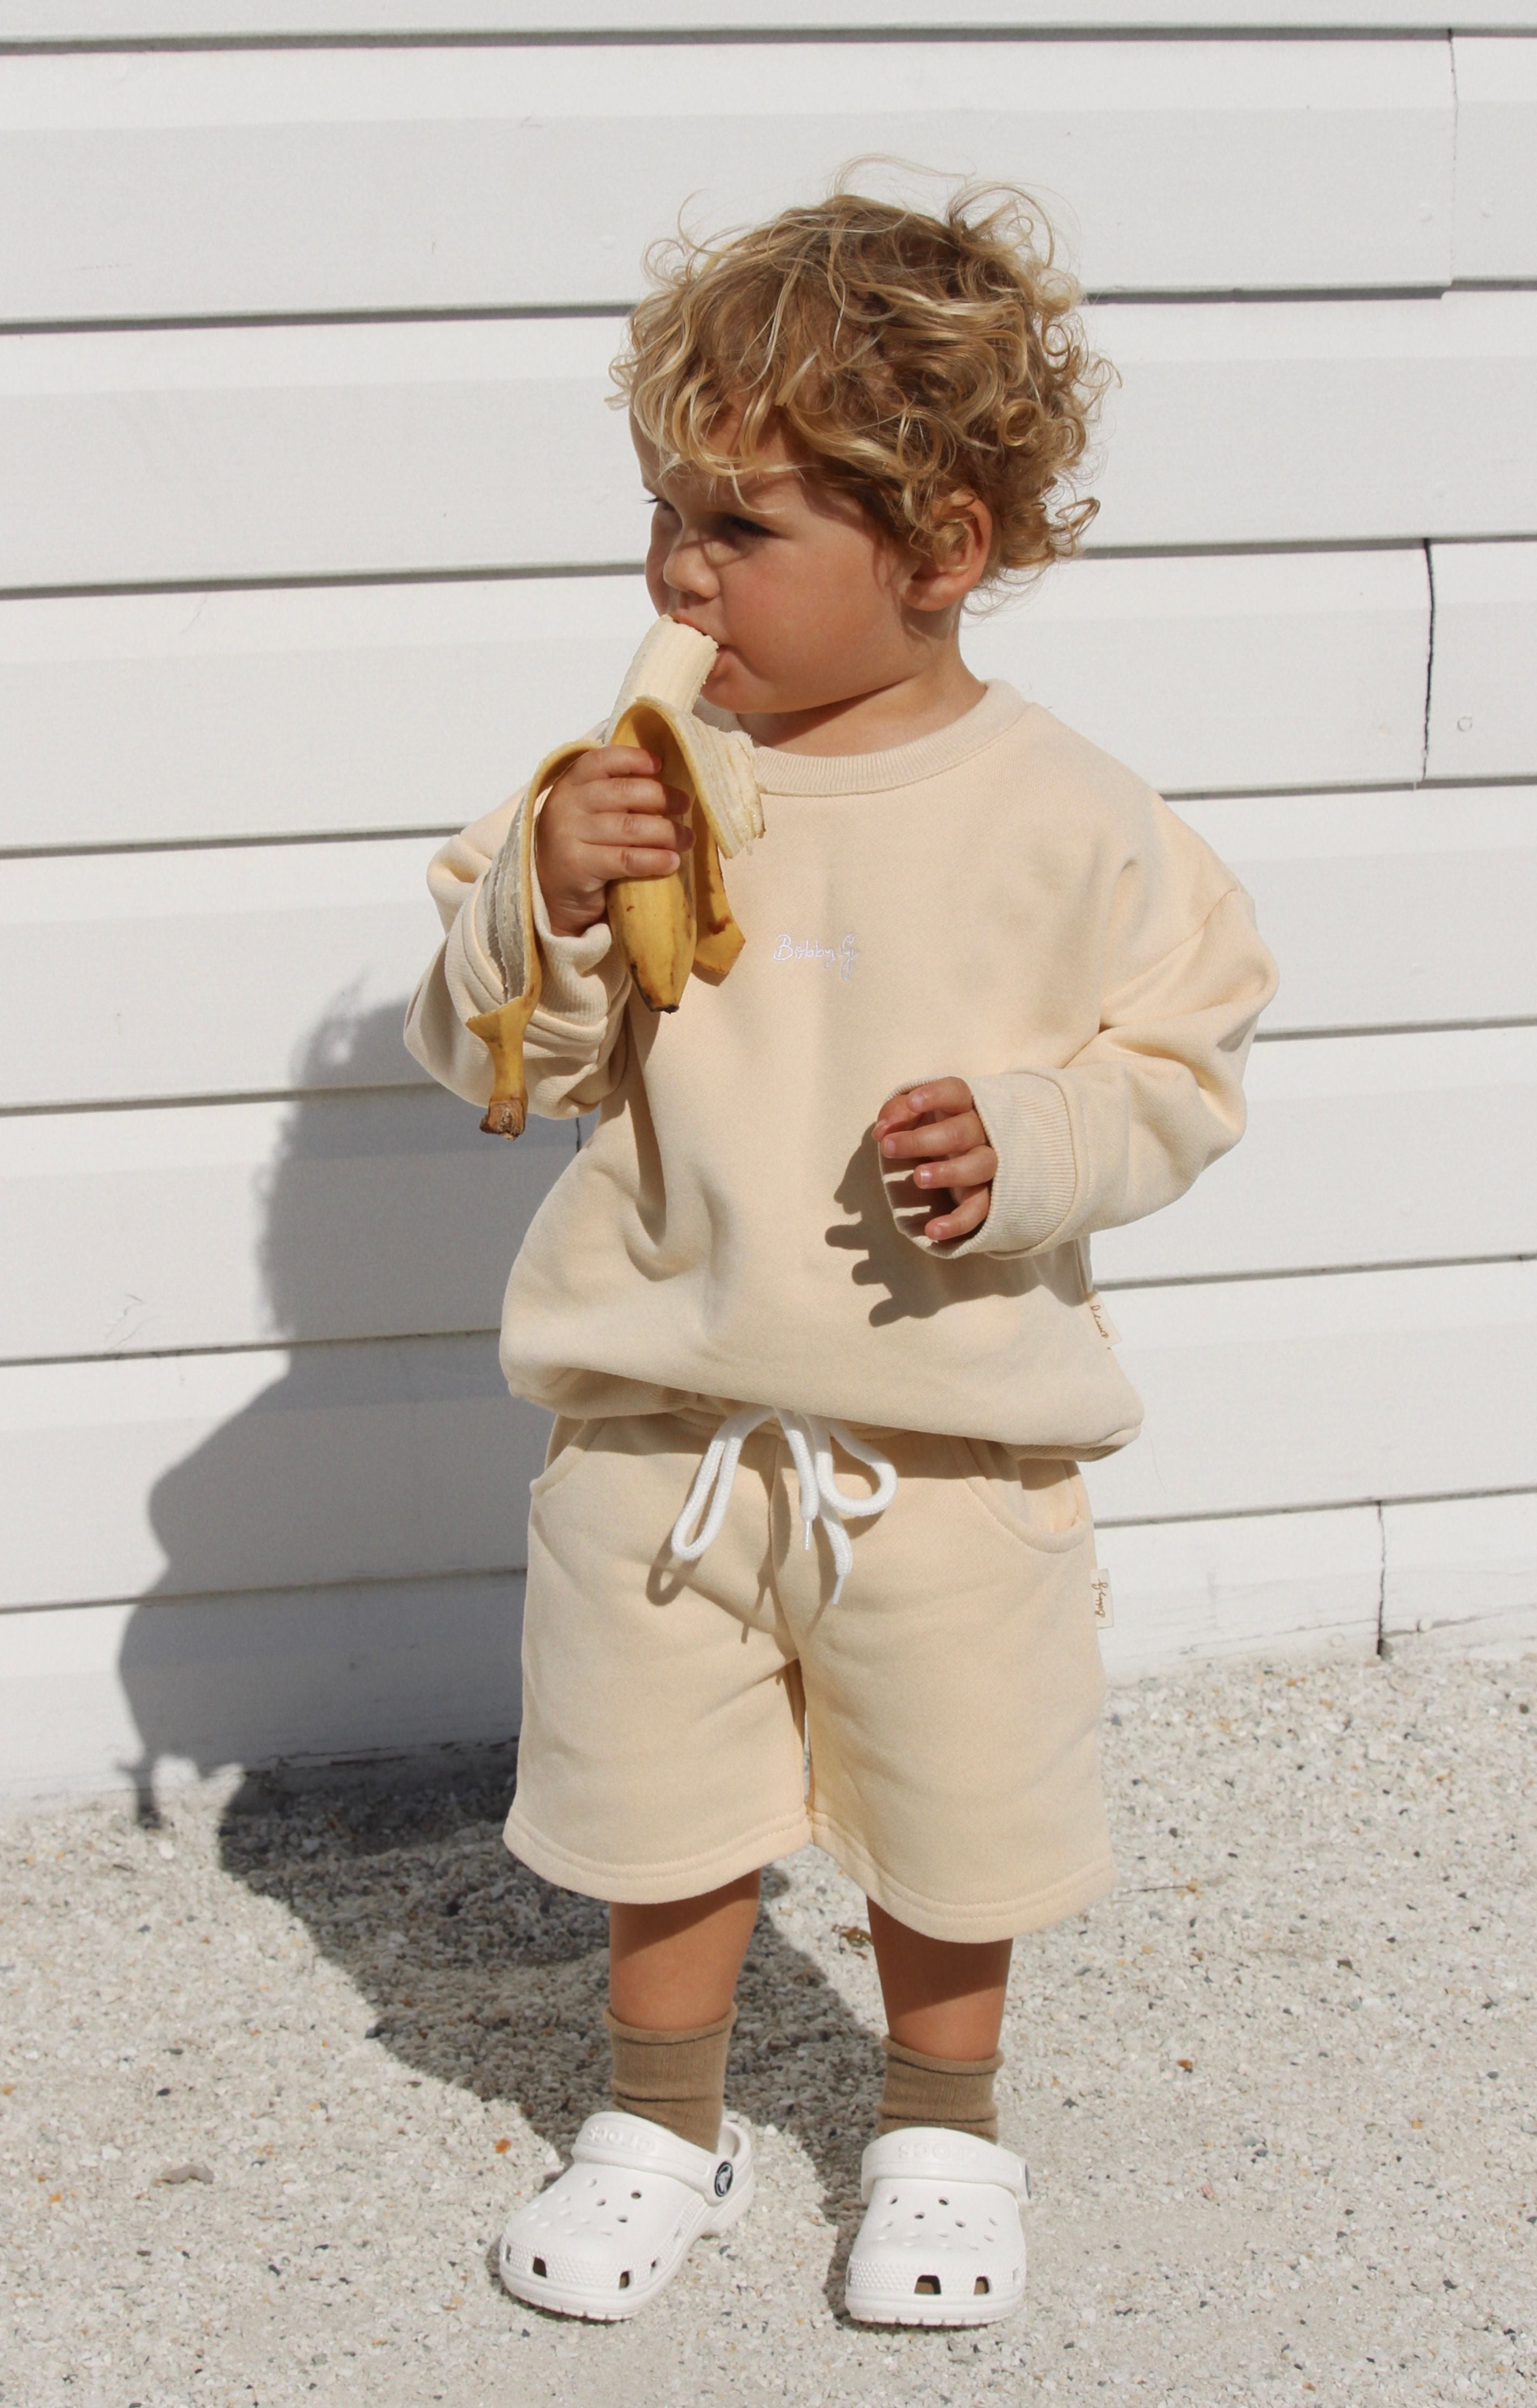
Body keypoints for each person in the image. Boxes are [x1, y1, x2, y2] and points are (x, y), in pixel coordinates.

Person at [404, 185, 1277, 2328]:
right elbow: (500, 1057)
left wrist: (1042, 1139)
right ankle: (659, 2121)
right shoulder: (629, 789)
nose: (678, 574)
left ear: (943, 551)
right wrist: (550, 903)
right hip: (664, 1423)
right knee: (657, 1805)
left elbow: (1185, 1054)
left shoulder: (1076, 814)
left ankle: (942, 2137)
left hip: (944, 1447)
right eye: (664, 515)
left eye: (743, 529)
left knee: (955, 1818)